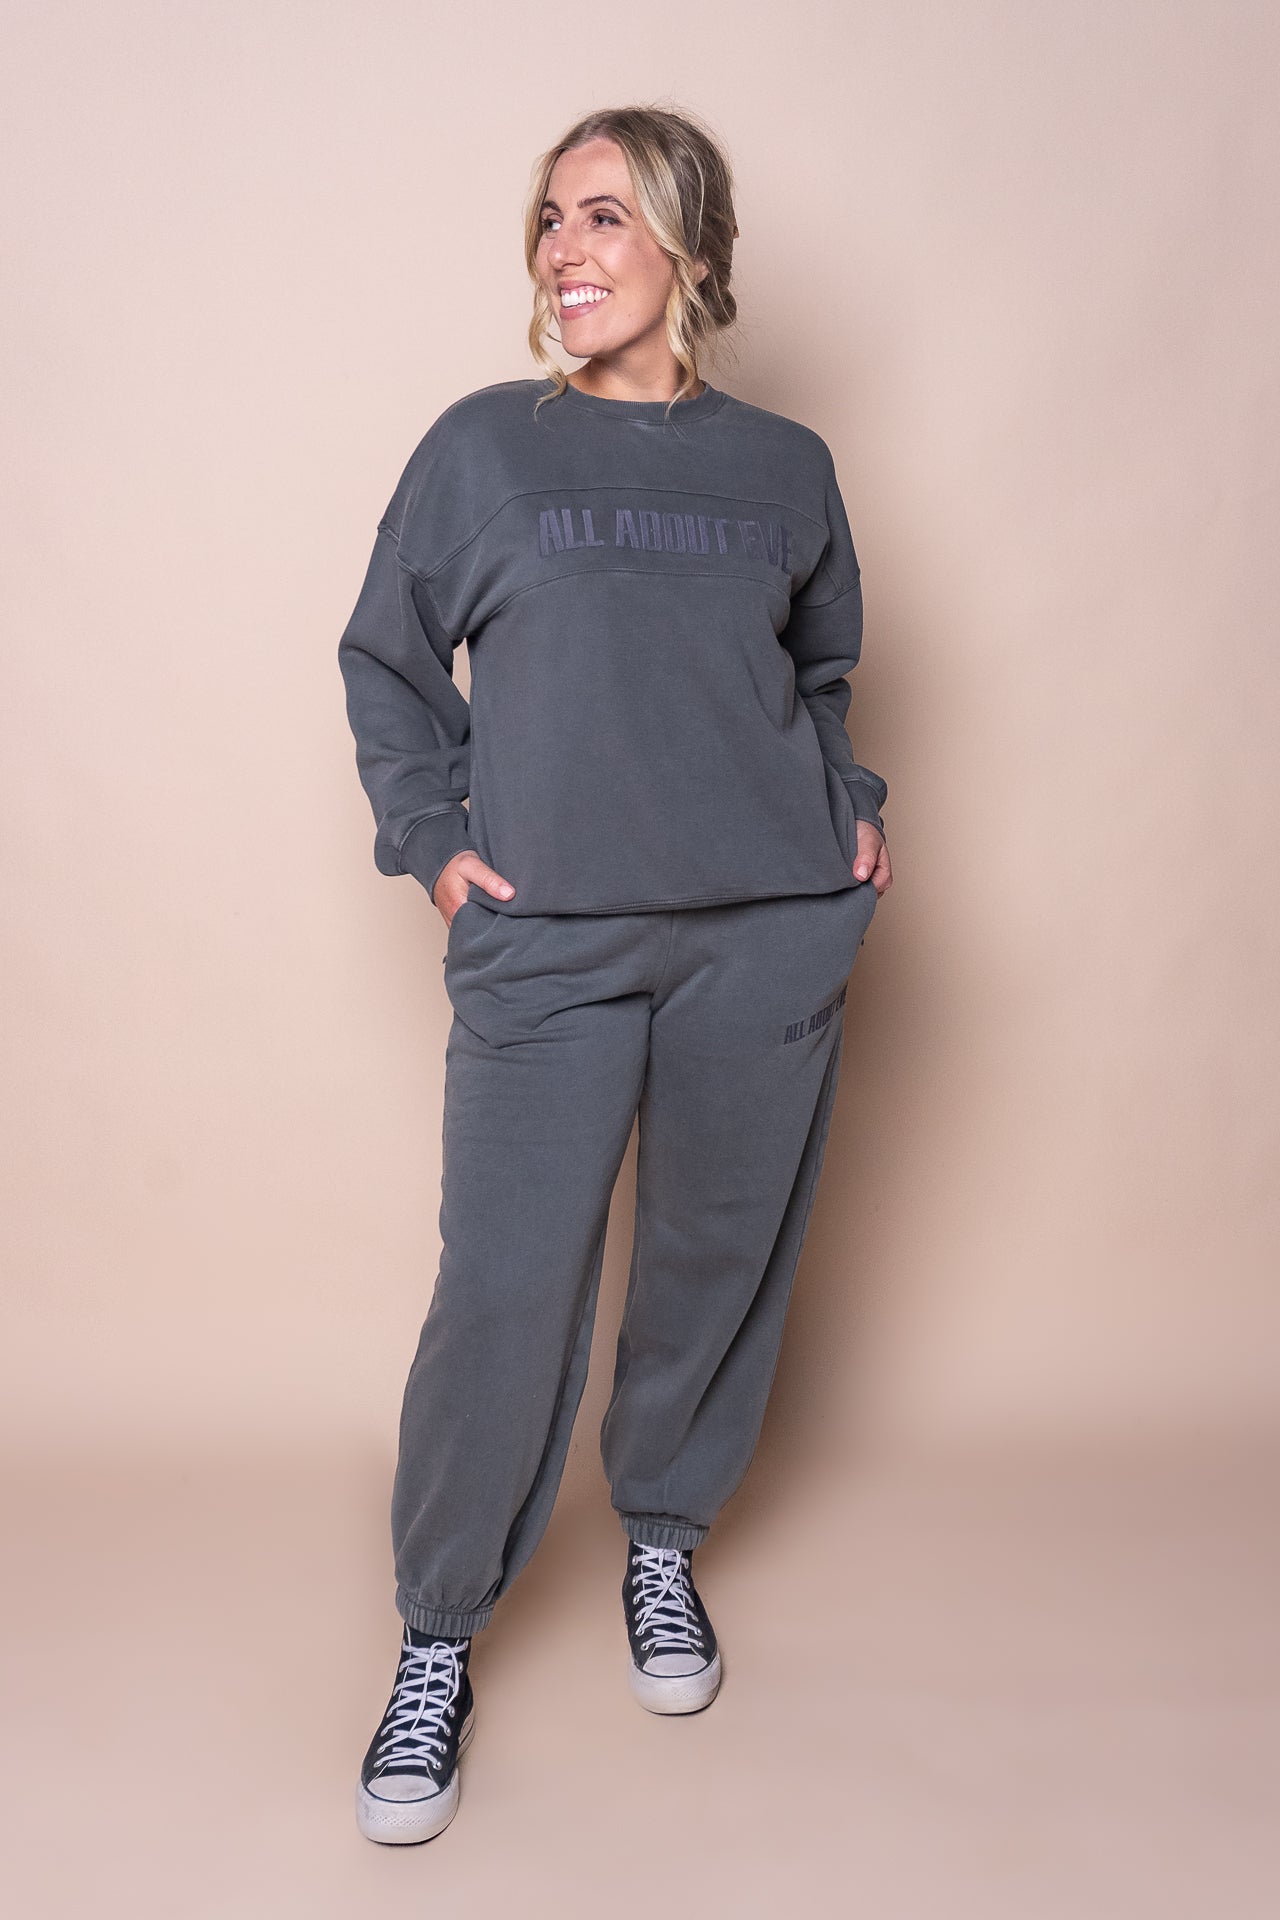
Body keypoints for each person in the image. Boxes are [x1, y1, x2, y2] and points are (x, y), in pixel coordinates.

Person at [337, 103, 892, 1846]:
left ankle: (662, 1537)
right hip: (551, 942)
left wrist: (850, 809)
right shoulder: (483, 451)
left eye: (604, 217)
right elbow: (385, 661)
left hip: (765, 925)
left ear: (689, 250)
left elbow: (820, 674)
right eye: (550, 219)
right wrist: (433, 838)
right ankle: (439, 1633)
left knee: (718, 1259)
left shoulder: (786, 467)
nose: (562, 252)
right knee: (505, 1293)